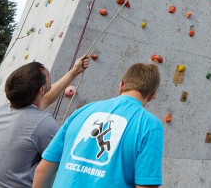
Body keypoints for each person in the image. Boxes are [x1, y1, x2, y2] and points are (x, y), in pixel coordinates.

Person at [32, 62, 164, 188]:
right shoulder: (150, 126)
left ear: (121, 85)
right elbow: (147, 185)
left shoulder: (81, 112)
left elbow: (43, 171)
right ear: (152, 95)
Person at [0, 55, 90, 188]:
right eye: (48, 76)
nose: (50, 77)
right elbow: (69, 164)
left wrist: (74, 72)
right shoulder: (43, 124)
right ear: (41, 90)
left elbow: (44, 99)